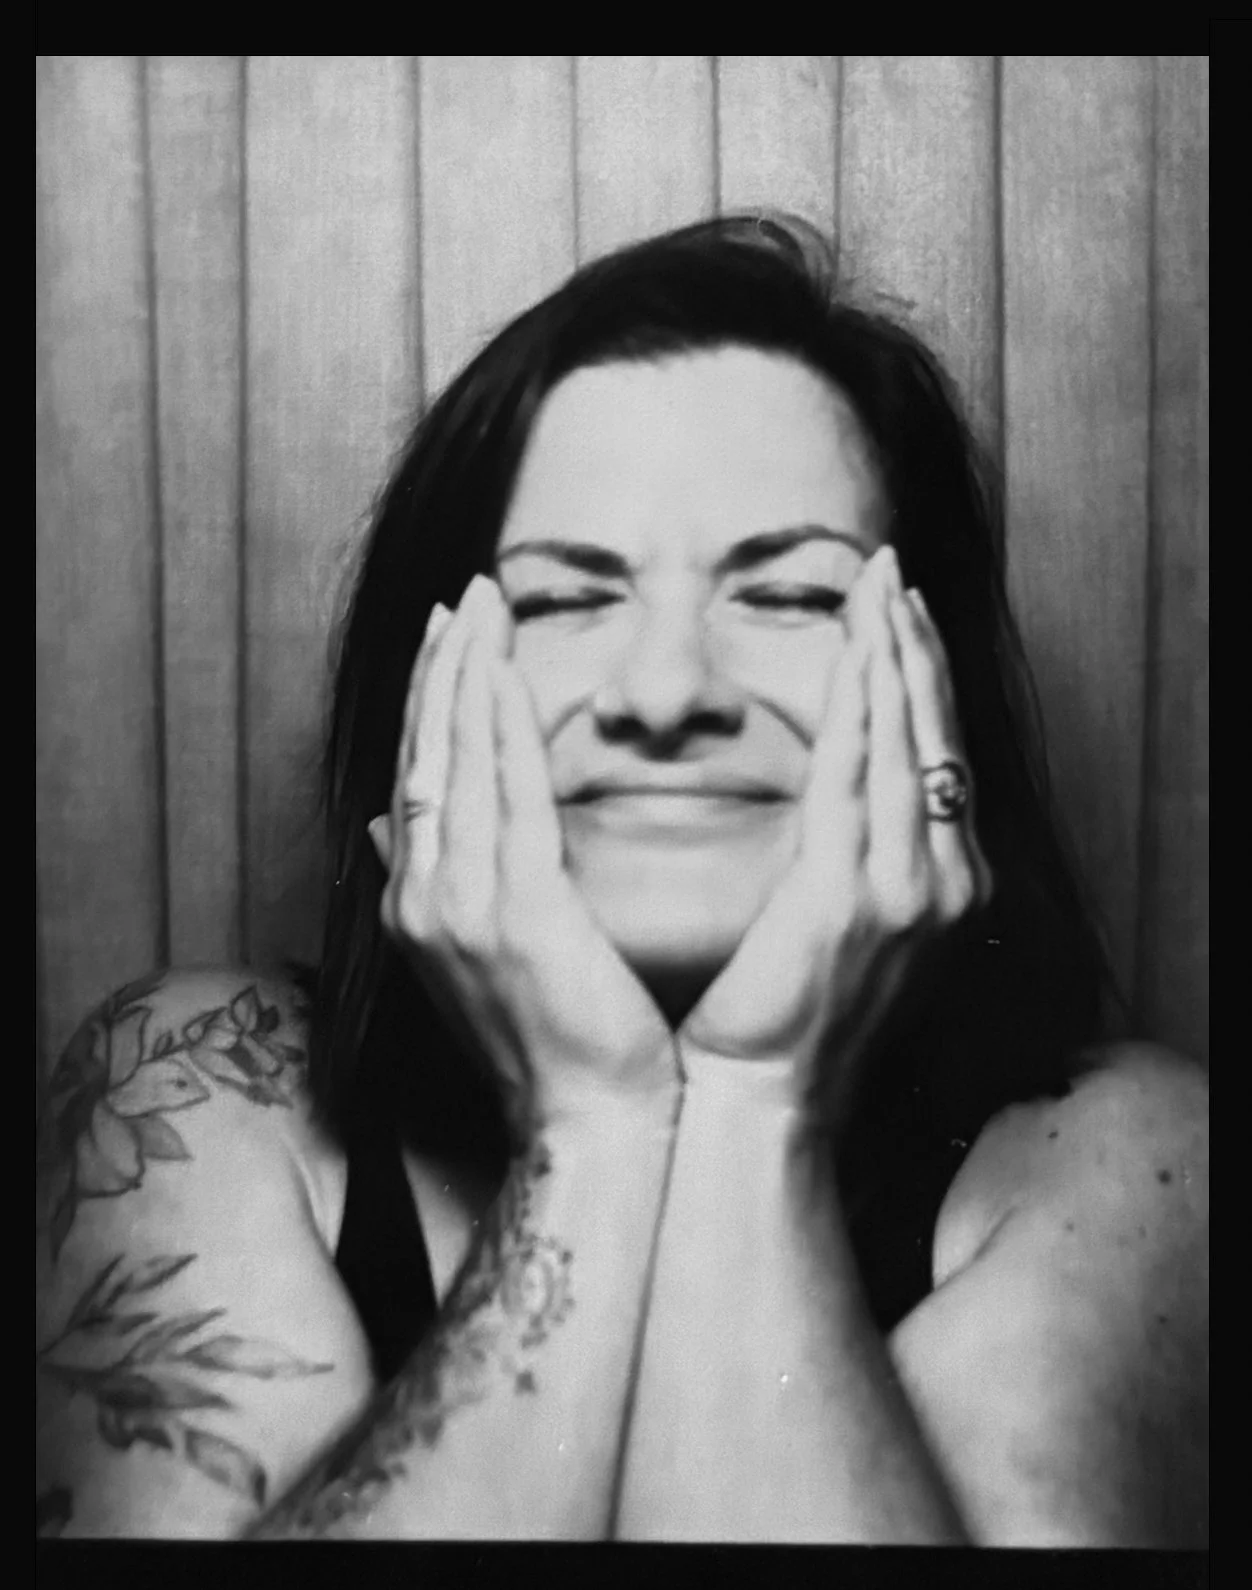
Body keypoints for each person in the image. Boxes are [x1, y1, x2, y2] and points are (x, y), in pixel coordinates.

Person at [35, 215, 1207, 1544]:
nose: (665, 694)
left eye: (790, 596)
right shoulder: (194, 1089)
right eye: (562, 601)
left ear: (936, 702)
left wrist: (757, 1101)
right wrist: (593, 1123)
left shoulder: (1134, 1163)